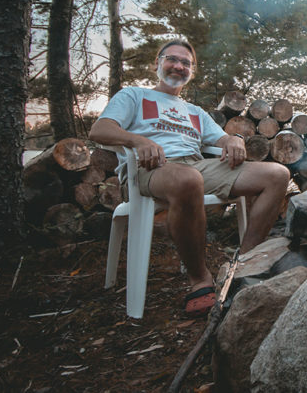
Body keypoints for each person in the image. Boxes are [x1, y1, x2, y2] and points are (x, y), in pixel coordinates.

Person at [89, 40, 290, 317]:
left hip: (196, 167)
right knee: (188, 179)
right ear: (157, 64)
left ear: (191, 71)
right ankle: (200, 280)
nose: (178, 66)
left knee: (278, 174)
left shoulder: (194, 111)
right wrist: (137, 141)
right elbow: (99, 129)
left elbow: (221, 138)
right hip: (150, 169)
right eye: (172, 59)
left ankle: (244, 264)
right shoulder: (134, 96)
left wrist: (235, 138)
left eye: (186, 63)